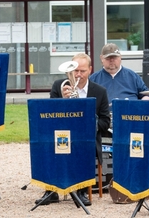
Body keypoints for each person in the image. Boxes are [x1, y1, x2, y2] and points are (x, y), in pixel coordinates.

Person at [41, 53, 110, 207]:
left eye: (82, 71)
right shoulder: (59, 86)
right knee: (46, 143)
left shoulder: (99, 91)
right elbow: (49, 117)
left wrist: (88, 123)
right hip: (62, 134)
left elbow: (106, 122)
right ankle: (51, 191)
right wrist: (63, 102)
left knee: (83, 146)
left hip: (87, 138)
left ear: (90, 70)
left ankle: (81, 191)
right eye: (75, 71)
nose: (78, 75)